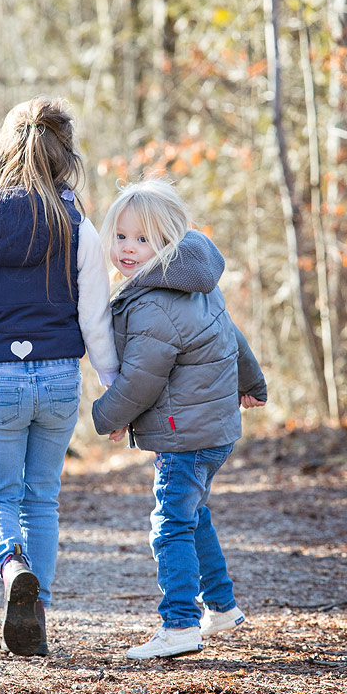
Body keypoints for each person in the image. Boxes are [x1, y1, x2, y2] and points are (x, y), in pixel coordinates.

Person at [0, 97, 118, 657]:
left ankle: (11, 570)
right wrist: (111, 381)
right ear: (65, 156)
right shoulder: (77, 224)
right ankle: (38, 611)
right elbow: (95, 317)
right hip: (60, 378)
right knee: (42, 500)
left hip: (0, 377)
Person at [92, 178, 267, 661]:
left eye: (143, 239)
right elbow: (232, 336)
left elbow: (141, 379)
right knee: (194, 515)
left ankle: (180, 625)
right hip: (214, 428)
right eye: (121, 237)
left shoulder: (154, 303)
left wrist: (107, 416)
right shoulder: (196, 284)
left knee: (170, 524)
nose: (128, 249)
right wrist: (251, 383)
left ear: (169, 241)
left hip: (185, 435)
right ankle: (223, 607)